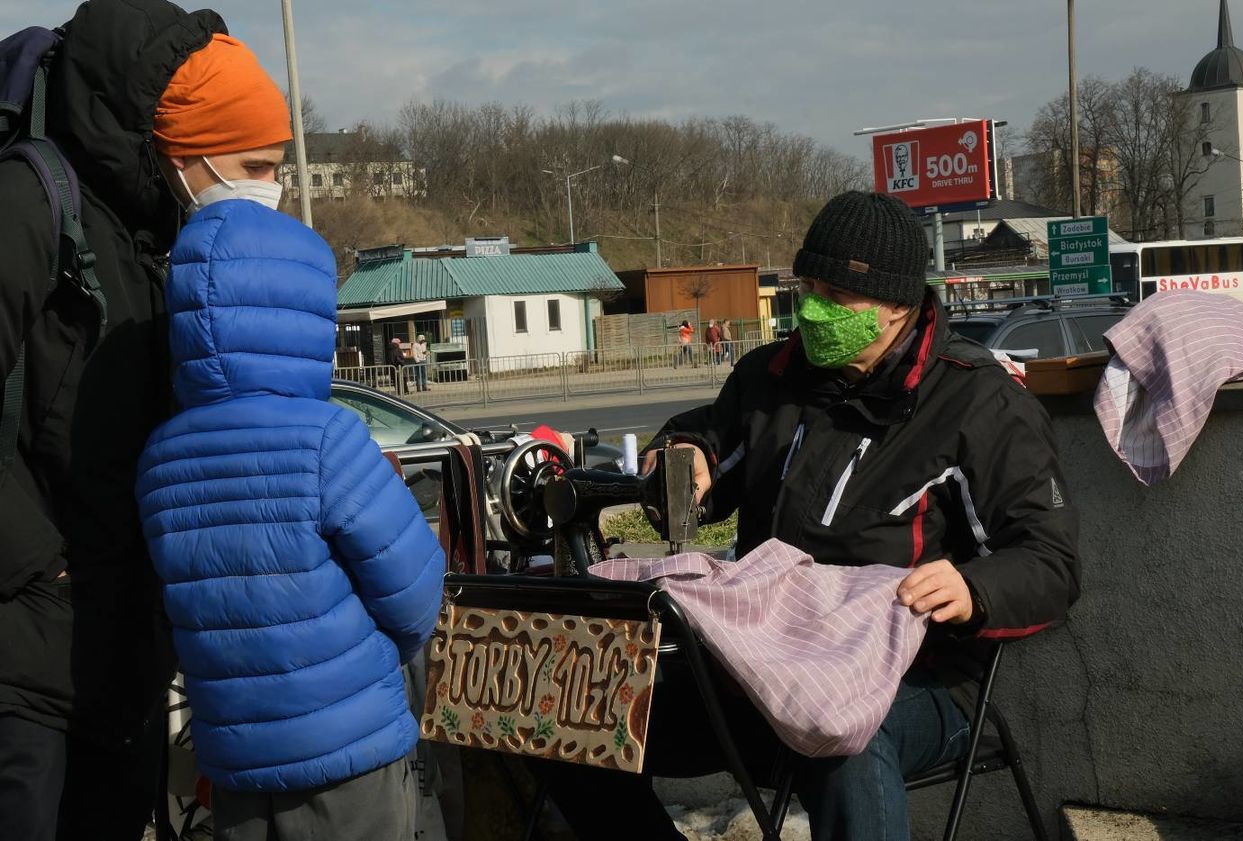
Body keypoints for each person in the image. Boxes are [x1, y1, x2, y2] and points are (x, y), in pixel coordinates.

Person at [541, 192, 1080, 841]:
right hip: (761, 668)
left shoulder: (980, 404)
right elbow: (702, 442)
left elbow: (1051, 560)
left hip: (921, 683)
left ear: (898, 307)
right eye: (810, 286)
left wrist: (974, 589)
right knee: (573, 713)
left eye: (838, 296)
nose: (815, 308)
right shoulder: (770, 377)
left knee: (843, 741)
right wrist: (681, 459)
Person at [0, 3, 292, 838]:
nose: (269, 189)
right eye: (255, 164)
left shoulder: (159, 233)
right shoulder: (30, 204)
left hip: (120, 657)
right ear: (184, 149)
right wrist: (35, 563)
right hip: (24, 663)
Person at [136, 198, 445, 841]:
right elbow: (416, 594)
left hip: (235, 761)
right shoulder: (327, 437)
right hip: (349, 753)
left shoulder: (160, 457)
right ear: (305, 317)